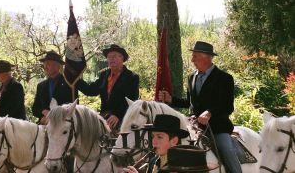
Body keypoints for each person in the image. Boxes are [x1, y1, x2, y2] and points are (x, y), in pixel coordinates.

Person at [158, 41, 241, 173]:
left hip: (218, 128)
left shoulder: (224, 78)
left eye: (195, 56)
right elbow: (189, 102)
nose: (192, 60)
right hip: (194, 125)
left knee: (227, 150)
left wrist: (210, 112)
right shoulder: (191, 77)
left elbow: (227, 106)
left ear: (207, 57)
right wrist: (171, 99)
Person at [76, 44, 140, 130]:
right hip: (104, 119)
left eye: (114, 56)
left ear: (122, 58)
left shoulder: (132, 77)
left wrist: (118, 116)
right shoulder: (104, 75)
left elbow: (132, 100)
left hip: (123, 119)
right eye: (109, 57)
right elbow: (91, 90)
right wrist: (76, 80)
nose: (111, 59)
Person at [122, 114, 190, 173]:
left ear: (174, 141)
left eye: (159, 137)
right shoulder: (153, 161)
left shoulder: (180, 165)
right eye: (152, 136)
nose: (154, 141)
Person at [32, 50, 76, 125]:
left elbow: (73, 106)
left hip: (63, 126)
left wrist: (53, 116)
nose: (45, 67)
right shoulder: (41, 86)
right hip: (44, 125)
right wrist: (43, 114)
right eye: (44, 64)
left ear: (57, 66)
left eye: (48, 64)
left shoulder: (69, 84)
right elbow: (35, 109)